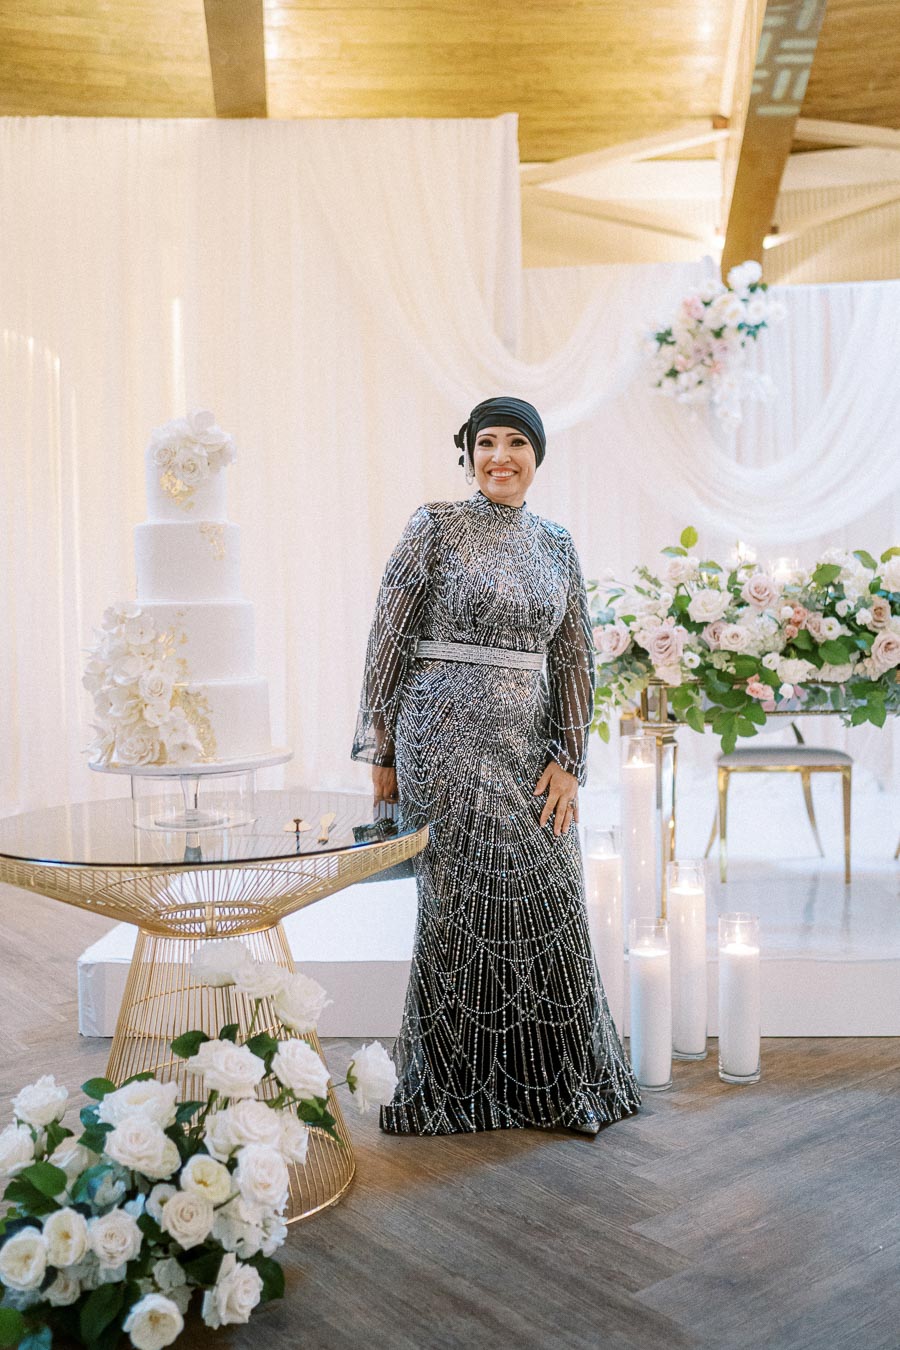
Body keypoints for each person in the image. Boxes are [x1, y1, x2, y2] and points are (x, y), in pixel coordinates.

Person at [351, 396, 641, 1136]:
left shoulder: (557, 544)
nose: (501, 456)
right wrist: (383, 748)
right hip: (441, 741)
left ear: (537, 458)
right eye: (487, 442)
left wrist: (571, 759)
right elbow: (388, 636)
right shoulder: (434, 526)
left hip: (530, 747)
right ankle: (456, 1090)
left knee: (550, 899)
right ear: (469, 454)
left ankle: (550, 1083)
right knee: (457, 912)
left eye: (517, 443)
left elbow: (575, 656)